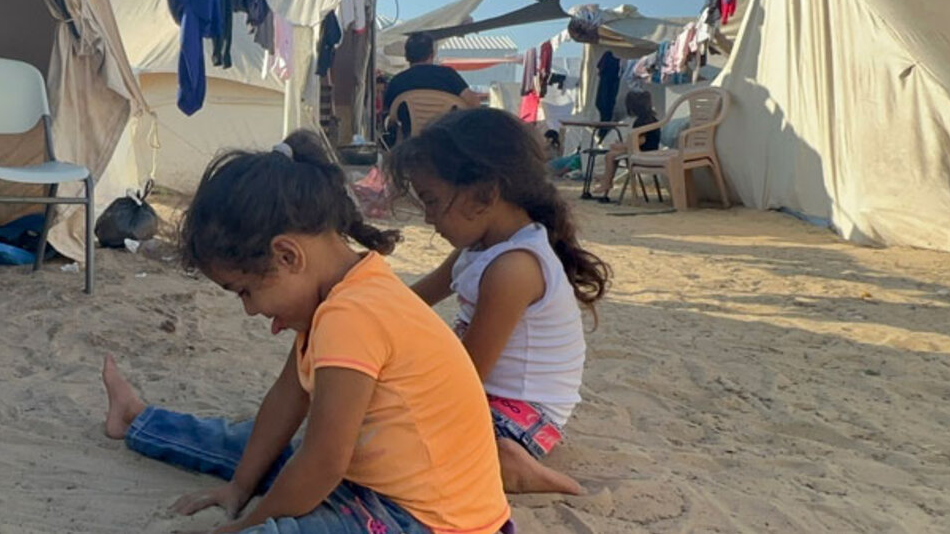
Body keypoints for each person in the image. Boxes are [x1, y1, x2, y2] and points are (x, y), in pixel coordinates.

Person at [99, 132, 512, 534]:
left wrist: (251, 523)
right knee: (250, 444)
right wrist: (240, 488)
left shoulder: (351, 315)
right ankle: (139, 419)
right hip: (373, 487)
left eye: (246, 291)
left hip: (426, 520)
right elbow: (285, 399)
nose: (251, 309)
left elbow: (324, 463)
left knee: (287, 484)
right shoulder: (346, 291)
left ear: (287, 255)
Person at [385, 108, 612, 495]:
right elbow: (409, 304)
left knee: (389, 444)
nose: (427, 219)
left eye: (432, 201)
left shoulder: (514, 268)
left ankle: (509, 465)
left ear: (485, 194)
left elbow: (466, 373)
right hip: (488, 397)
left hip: (521, 417)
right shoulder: (479, 248)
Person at [381, 33, 483, 141]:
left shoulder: (397, 81)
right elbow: (474, 103)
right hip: (446, 143)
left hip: (410, 146)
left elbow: (389, 114)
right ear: (432, 54)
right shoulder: (448, 75)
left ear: (406, 56)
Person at [591, 90, 662, 199]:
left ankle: (607, 181)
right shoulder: (650, 118)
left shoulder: (642, 121)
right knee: (613, 154)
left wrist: (623, 146)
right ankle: (607, 178)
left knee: (610, 155)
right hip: (647, 150)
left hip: (643, 152)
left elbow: (640, 141)